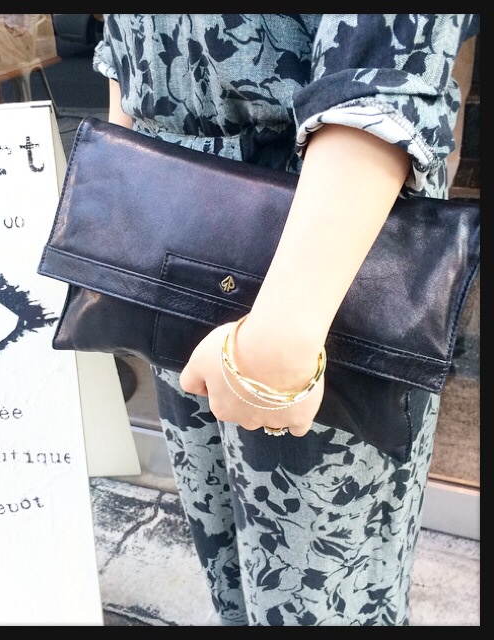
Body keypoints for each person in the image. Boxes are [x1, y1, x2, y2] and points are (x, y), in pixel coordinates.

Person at [92, 14, 479, 626]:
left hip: (324, 250)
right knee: (221, 545)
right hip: (174, 230)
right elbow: (125, 59)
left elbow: (382, 77)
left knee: (324, 589)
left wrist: (277, 342)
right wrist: (126, 197)